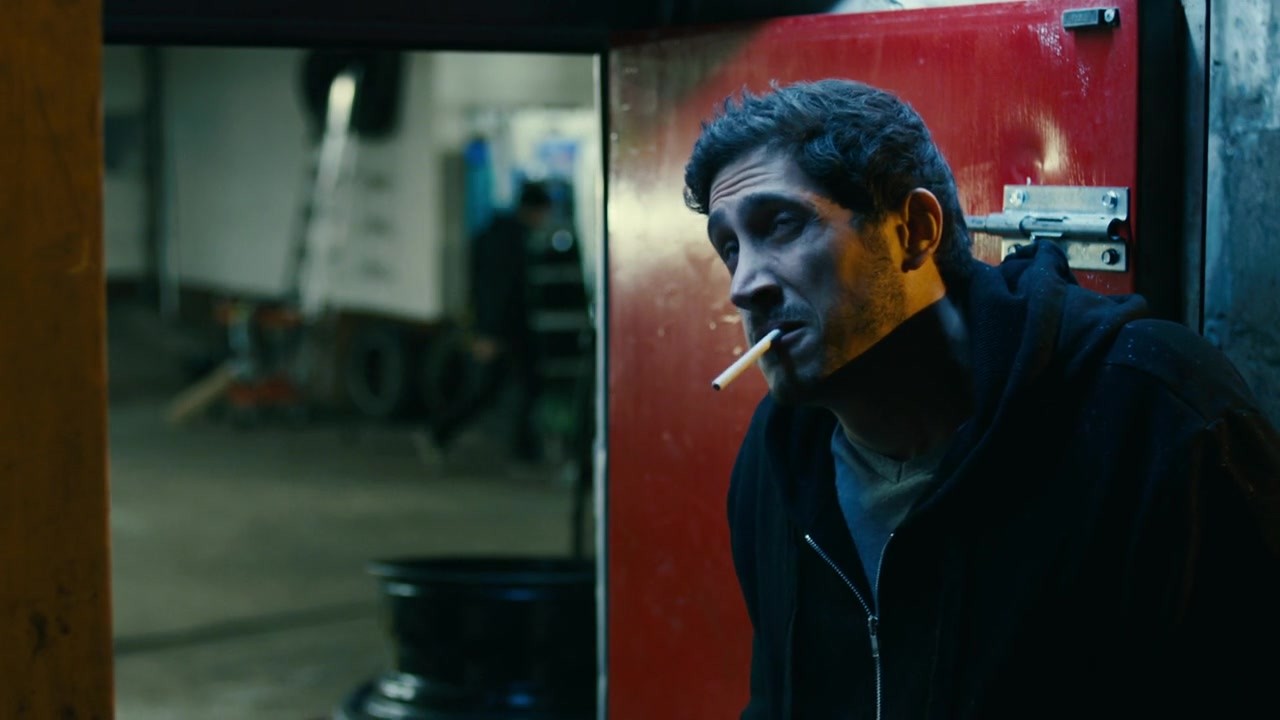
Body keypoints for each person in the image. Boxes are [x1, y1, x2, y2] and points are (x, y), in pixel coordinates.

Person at [682, 79, 1280, 719]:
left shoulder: (1153, 414)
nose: (744, 285)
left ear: (914, 231)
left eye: (781, 225)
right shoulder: (778, 456)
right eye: (730, 248)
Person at [433, 181, 552, 461]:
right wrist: (487, 333)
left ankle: (523, 448)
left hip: (507, 329)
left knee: (511, 386)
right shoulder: (508, 241)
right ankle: (442, 432)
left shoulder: (502, 234)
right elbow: (495, 290)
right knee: (496, 388)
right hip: (505, 330)